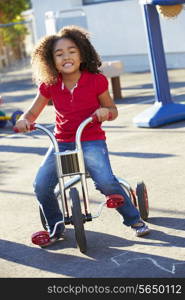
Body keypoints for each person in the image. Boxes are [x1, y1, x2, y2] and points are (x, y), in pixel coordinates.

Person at [15, 25, 150, 247]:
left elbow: (113, 110)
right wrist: (24, 121)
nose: (66, 57)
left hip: (91, 140)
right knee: (41, 185)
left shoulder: (96, 81)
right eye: (59, 54)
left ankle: (134, 220)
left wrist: (104, 112)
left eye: (72, 51)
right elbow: (32, 112)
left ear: (82, 53)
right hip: (62, 142)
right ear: (51, 60)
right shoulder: (50, 85)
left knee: (106, 182)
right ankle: (55, 226)